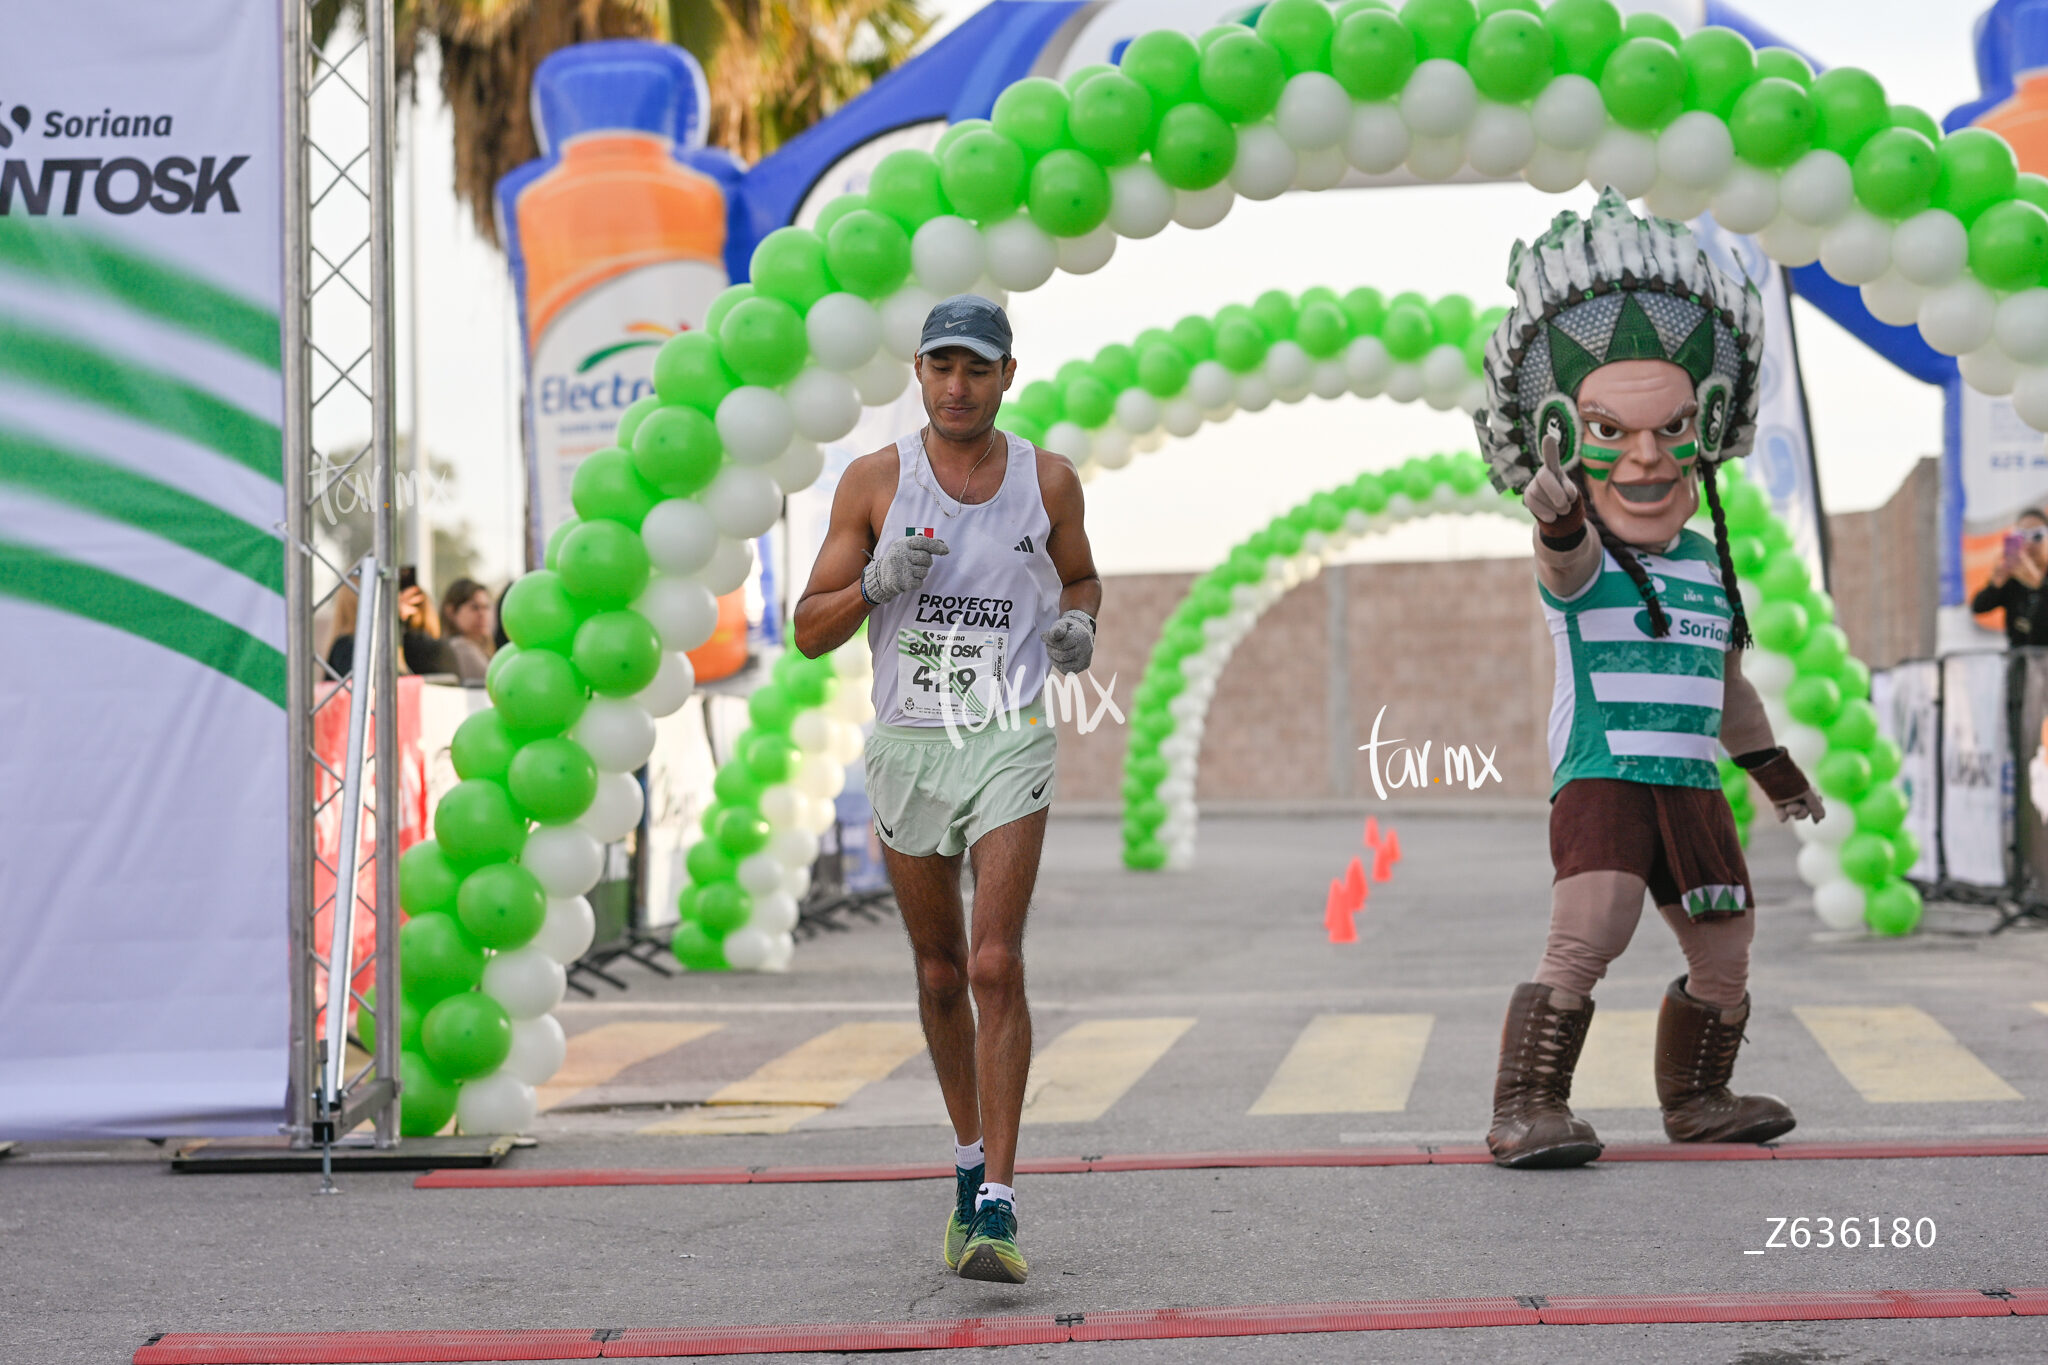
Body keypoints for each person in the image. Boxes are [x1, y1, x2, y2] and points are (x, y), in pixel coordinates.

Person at [1471, 190, 1828, 1169]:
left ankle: (1698, 1098)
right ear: (1564, 436)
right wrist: (1555, 520)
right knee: (1591, 929)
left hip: (1690, 785)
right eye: (1610, 430)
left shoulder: (1708, 565)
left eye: (1670, 430)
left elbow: (1726, 690)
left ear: (1703, 430)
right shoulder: (1587, 555)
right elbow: (1564, 566)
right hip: (1606, 777)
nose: (1644, 457)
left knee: (1726, 943)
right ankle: (1525, 1106)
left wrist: (1775, 773)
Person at [792, 295, 1100, 1283]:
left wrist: (1079, 626)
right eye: (941, 367)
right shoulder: (875, 482)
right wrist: (875, 582)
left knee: (994, 963)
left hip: (1006, 738)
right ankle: (968, 1162)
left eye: (976, 368)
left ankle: (999, 1205)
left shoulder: (1047, 480)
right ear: (918, 374)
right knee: (938, 971)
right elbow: (808, 629)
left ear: (1007, 376)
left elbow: (1081, 577)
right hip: (910, 745)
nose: (957, 386)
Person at [1970, 508, 2048, 647]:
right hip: (2018, 656)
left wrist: (2039, 585)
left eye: (2037, 536)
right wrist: (1995, 584)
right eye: (2022, 536)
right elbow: (1979, 607)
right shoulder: (2013, 580)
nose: (2029, 543)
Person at [440, 577, 497, 682]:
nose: (482, 614)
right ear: (451, 611)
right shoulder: (460, 646)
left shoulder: (481, 646)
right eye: (474, 607)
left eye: (486, 607)